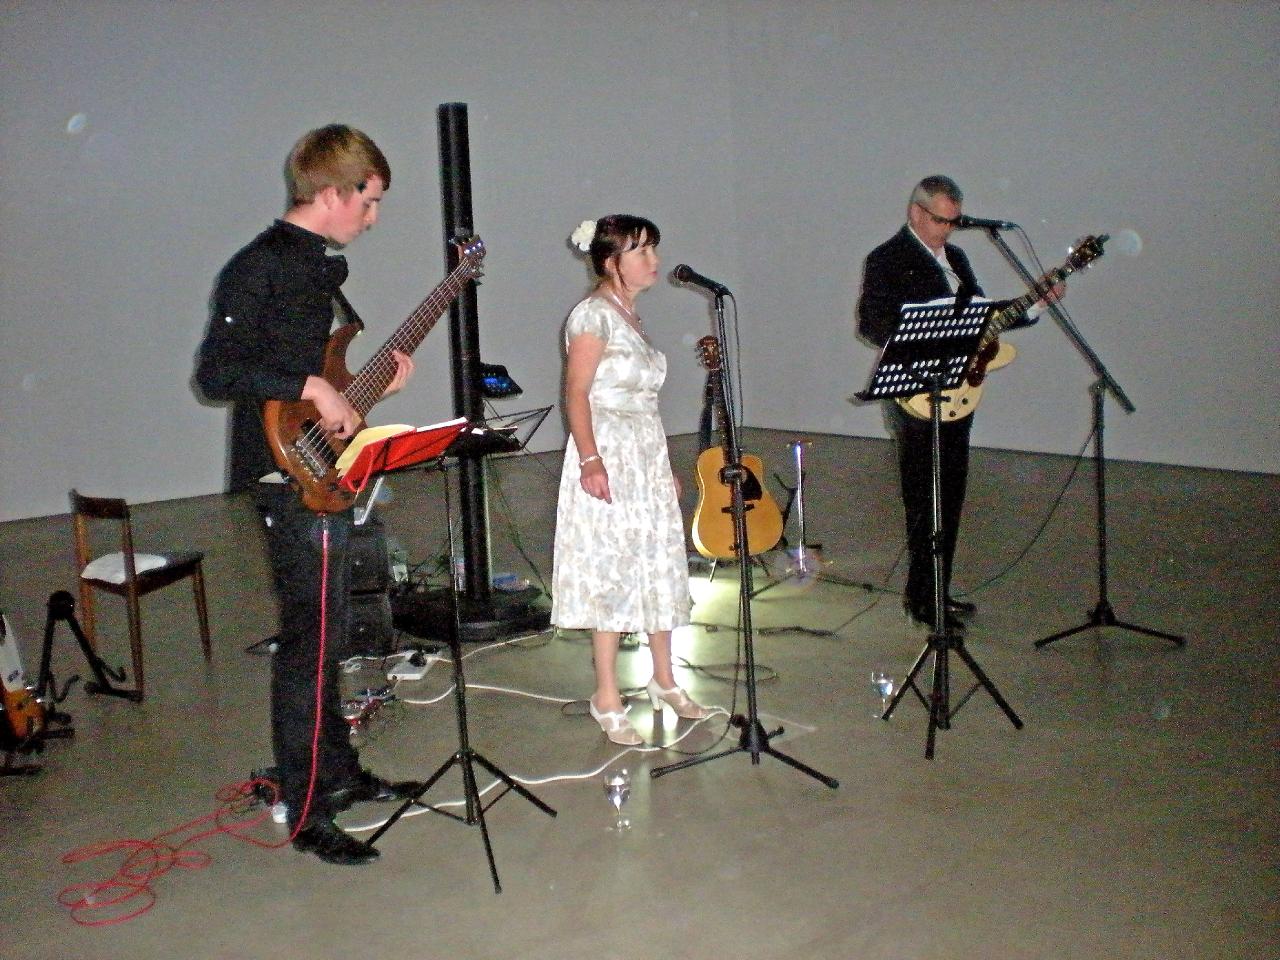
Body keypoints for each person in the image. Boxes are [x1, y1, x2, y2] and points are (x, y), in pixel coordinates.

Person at [195, 124, 420, 866]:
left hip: (321, 467)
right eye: (369, 201)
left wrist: (362, 387)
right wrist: (310, 385)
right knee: (308, 645)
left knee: (331, 635)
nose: (373, 218)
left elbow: (319, 378)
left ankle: (340, 773)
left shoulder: (318, 267)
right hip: (282, 478)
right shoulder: (258, 266)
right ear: (330, 192)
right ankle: (306, 809)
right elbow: (218, 372)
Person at [857, 175, 1057, 631]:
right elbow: (870, 323)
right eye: (940, 221)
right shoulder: (887, 258)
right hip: (914, 393)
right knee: (923, 500)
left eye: (953, 222)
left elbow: (983, 317)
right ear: (916, 213)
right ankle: (921, 600)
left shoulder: (958, 259)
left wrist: (1034, 304)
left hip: (956, 391)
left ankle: (937, 590)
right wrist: (917, 335)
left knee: (950, 496)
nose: (947, 230)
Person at [552, 214, 710, 746]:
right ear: (609, 261)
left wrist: (663, 468)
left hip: (644, 453)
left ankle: (664, 679)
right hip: (608, 452)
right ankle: (607, 695)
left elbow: (644, 403)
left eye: (653, 249)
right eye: (641, 251)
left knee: (657, 564)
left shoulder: (631, 316)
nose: (654, 261)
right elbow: (576, 394)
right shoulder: (592, 316)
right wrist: (591, 461)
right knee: (612, 570)